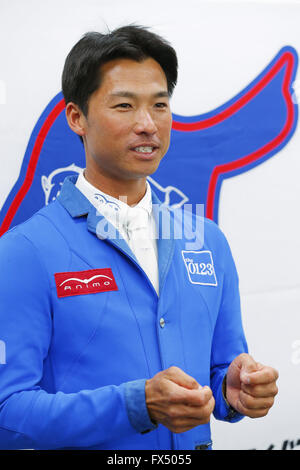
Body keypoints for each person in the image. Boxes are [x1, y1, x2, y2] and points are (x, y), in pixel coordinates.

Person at [0, 25, 278, 450]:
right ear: (77, 117)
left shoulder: (206, 240)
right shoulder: (26, 251)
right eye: (125, 106)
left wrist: (233, 390)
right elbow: (8, 413)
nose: (148, 124)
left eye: (160, 105)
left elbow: (222, 371)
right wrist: (137, 405)